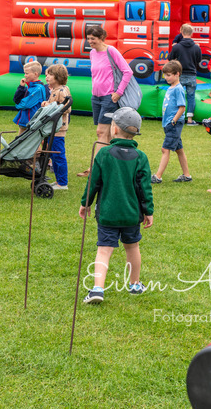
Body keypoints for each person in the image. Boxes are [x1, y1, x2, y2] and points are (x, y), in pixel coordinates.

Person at [79, 108, 154, 304]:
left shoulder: (104, 153)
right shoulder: (141, 157)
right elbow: (144, 188)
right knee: (132, 247)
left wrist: (85, 203)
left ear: (114, 129)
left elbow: (93, 182)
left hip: (108, 214)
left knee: (104, 250)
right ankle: (135, 284)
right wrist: (148, 211)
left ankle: (97, 289)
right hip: (131, 215)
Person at [77, 26, 133, 178]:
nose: (90, 42)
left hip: (109, 97)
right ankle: (110, 166)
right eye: (88, 39)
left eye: (92, 39)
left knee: (101, 132)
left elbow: (128, 71)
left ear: (101, 37)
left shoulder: (111, 51)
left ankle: (95, 168)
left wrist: (118, 93)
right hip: (96, 97)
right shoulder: (92, 53)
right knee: (106, 134)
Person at [152, 60, 191, 184]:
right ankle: (187, 175)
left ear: (177, 74)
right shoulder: (171, 88)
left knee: (165, 149)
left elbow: (182, 107)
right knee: (179, 150)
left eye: (169, 75)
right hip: (169, 124)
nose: (166, 77)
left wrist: (173, 121)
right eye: (165, 75)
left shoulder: (178, 89)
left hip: (174, 124)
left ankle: (158, 176)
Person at [43, 64, 71, 190]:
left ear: (58, 77)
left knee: (58, 154)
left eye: (50, 74)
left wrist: (48, 105)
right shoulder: (54, 89)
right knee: (53, 154)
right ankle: (59, 180)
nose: (47, 76)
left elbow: (66, 108)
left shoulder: (61, 91)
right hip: (52, 128)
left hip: (58, 128)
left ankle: (63, 183)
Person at [168, 23, 202, 125]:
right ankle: (190, 119)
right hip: (191, 74)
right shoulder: (196, 47)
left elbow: (170, 59)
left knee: (177, 95)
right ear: (192, 33)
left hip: (180, 74)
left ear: (182, 32)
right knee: (191, 96)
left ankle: (176, 117)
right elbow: (199, 60)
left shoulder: (177, 47)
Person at [13, 61, 47, 135]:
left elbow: (25, 104)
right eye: (25, 73)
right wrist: (21, 87)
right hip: (26, 118)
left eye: (27, 73)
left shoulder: (38, 88)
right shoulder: (29, 86)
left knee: (31, 142)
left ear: (35, 74)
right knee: (21, 140)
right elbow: (16, 99)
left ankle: (48, 147)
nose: (25, 75)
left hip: (31, 120)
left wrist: (17, 106)